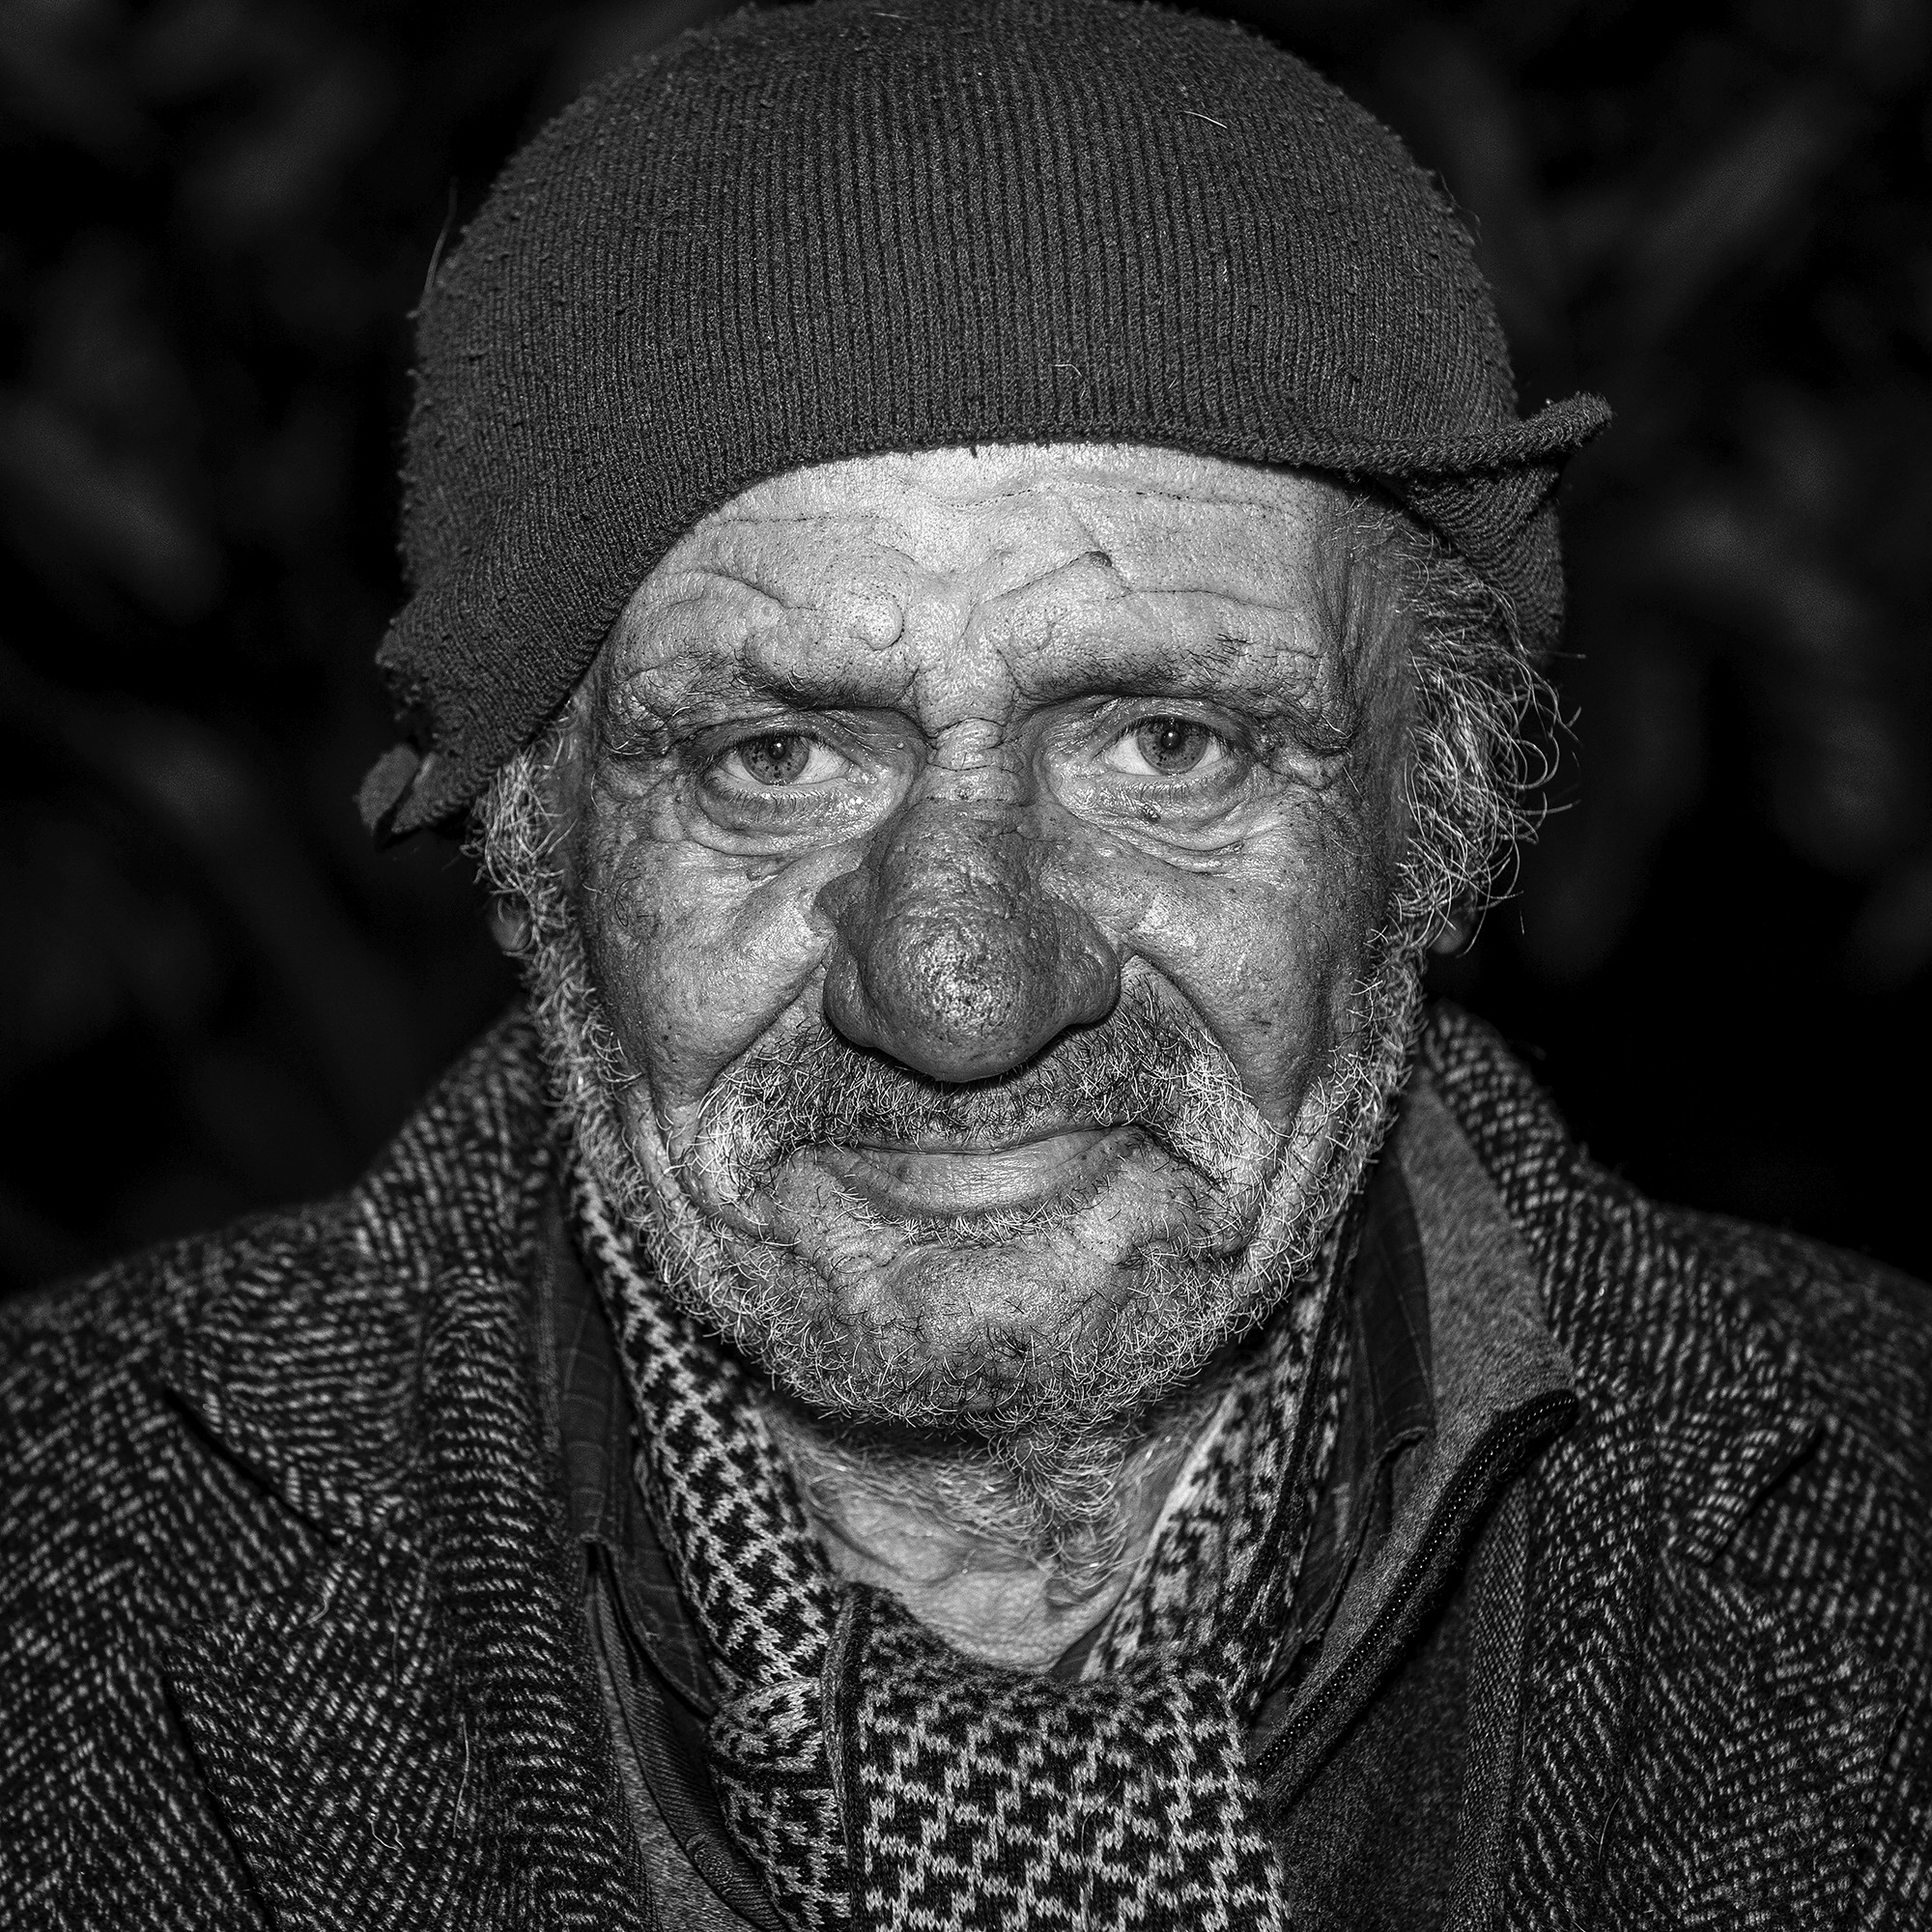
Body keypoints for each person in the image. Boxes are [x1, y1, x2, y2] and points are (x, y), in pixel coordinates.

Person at [3, 0, 1927, 1924]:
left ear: (1431, 826)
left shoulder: (1884, 1510)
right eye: (773, 759)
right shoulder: (59, 1558)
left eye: (1167, 745)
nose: (962, 993)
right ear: (532, 845)